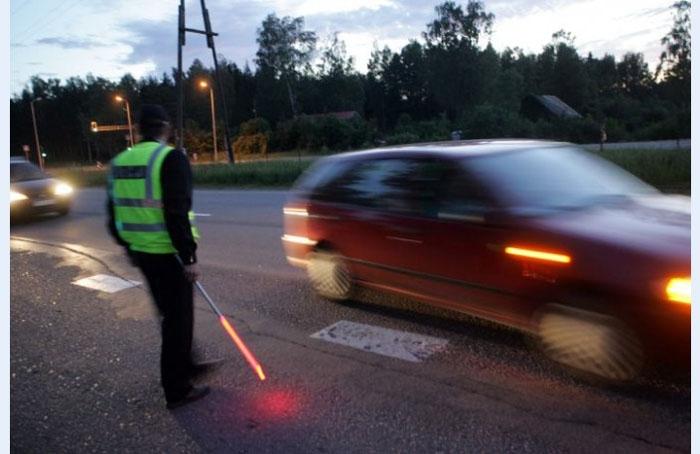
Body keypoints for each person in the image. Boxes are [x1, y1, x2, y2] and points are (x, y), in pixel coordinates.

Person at [106, 104, 218, 409]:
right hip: (169, 255)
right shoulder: (169, 158)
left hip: (143, 254)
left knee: (170, 316)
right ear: (166, 128)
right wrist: (189, 257)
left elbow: (112, 215)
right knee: (177, 322)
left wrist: (129, 246)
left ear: (139, 129)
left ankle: (188, 365)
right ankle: (177, 389)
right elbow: (176, 212)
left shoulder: (119, 163)